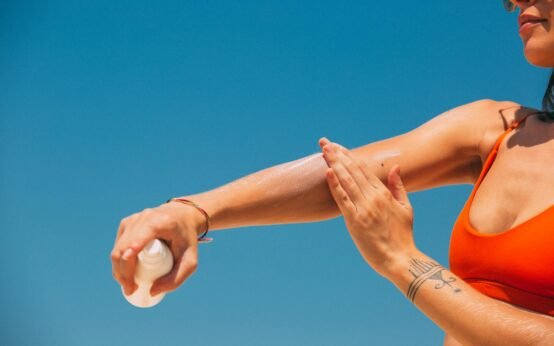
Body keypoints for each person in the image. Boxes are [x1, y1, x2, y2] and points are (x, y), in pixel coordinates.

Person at [111, 0, 554, 344]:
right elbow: (341, 177)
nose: (514, 1)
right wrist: (193, 211)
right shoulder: (497, 129)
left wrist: (403, 263)